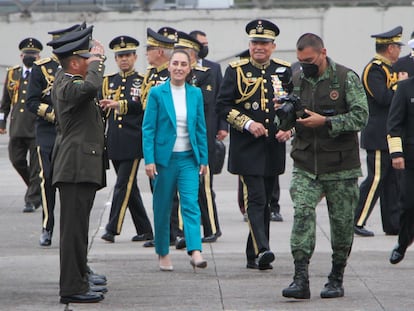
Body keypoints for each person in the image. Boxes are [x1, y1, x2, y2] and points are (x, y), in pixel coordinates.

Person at [281, 33, 368, 299]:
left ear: (322, 53)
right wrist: (284, 116)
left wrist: (327, 122)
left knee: (341, 224)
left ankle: (336, 277)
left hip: (341, 166)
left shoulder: (344, 78)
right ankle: (300, 279)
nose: (304, 65)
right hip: (306, 163)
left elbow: (361, 116)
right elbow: (292, 115)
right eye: (300, 60)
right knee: (302, 214)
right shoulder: (297, 79)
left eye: (308, 60)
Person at [216, 19, 291, 270]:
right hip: (247, 148)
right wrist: (247, 123)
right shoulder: (236, 70)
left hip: (272, 147)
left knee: (266, 201)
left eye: (264, 43)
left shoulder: (283, 70)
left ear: (273, 46)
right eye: (255, 42)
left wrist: (289, 128)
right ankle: (264, 248)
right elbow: (223, 105)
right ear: (249, 44)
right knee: (256, 199)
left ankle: (253, 255)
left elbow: (294, 106)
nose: (259, 47)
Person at [51, 32, 108, 304]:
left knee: (78, 229)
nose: (91, 63)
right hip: (74, 168)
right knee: (73, 232)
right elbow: (90, 88)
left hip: (80, 167)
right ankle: (72, 286)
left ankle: (79, 276)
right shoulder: (69, 83)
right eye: (86, 59)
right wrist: (98, 61)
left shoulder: (70, 82)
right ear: (75, 63)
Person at [142, 49, 208, 271]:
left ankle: (195, 250)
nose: (179, 68)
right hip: (164, 160)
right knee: (162, 207)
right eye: (175, 63)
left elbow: (200, 128)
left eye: (184, 64)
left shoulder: (195, 94)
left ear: (190, 68)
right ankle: (162, 252)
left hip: (189, 158)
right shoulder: (157, 93)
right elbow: (148, 129)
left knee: (191, 204)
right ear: (169, 67)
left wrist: (204, 159)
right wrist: (149, 160)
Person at [26, 23, 82, 246]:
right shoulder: (41, 68)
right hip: (48, 132)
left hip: (72, 131)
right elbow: (31, 101)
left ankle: (70, 229)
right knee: (46, 179)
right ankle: (47, 226)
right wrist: (53, 114)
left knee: (70, 182)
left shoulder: (78, 66)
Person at [354, 26, 408, 237]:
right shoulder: (374, 69)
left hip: (391, 133)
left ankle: (393, 224)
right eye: (397, 47)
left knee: (392, 181)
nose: (399, 52)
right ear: (390, 48)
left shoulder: (391, 68)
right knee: (375, 178)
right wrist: (400, 87)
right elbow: (383, 98)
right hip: (377, 133)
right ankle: (356, 219)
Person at [99, 35, 153, 243]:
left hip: (133, 140)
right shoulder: (108, 81)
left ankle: (112, 228)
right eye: (120, 56)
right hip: (114, 140)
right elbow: (102, 111)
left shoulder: (142, 80)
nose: (124, 59)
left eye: (128, 55)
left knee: (122, 184)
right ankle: (145, 229)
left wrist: (118, 105)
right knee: (130, 188)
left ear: (135, 57)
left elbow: (142, 106)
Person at [175, 31, 223, 244]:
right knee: (183, 187)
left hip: (203, 136)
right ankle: (183, 232)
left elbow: (214, 101)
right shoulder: (176, 76)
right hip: (181, 137)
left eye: (186, 54)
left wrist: (222, 128)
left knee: (204, 186)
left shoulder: (207, 73)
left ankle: (212, 228)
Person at [140, 27, 177, 248]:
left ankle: (173, 232)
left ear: (161, 52)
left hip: (166, 141)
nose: (147, 52)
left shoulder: (168, 76)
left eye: (150, 49)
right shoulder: (151, 74)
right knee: (157, 190)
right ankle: (165, 233)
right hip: (153, 140)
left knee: (168, 191)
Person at [0, 37, 43, 213]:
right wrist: (2, 122)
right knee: (16, 159)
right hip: (17, 127)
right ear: (21, 56)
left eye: (33, 54)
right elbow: (5, 102)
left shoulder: (43, 73)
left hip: (36, 127)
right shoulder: (13, 73)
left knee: (35, 166)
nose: (30, 57)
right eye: (27, 54)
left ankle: (31, 200)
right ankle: (36, 190)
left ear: (39, 56)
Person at [387, 73, 414, 265]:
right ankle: (403, 242)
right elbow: (394, 124)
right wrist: (396, 154)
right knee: (408, 204)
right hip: (411, 159)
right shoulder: (405, 88)